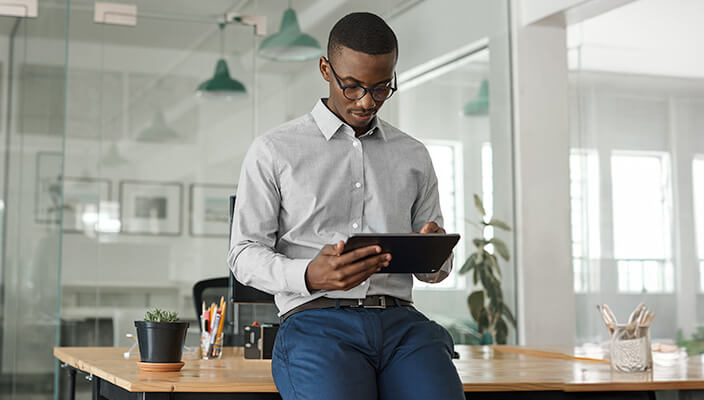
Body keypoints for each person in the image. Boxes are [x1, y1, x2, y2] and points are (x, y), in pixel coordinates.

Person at [228, 12, 464, 400]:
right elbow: (242, 254)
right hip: (315, 323)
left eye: (381, 88)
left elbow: (436, 271)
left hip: (402, 324)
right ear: (326, 69)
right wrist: (310, 275)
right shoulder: (274, 150)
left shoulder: (413, 155)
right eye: (352, 87)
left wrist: (433, 253)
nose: (367, 101)